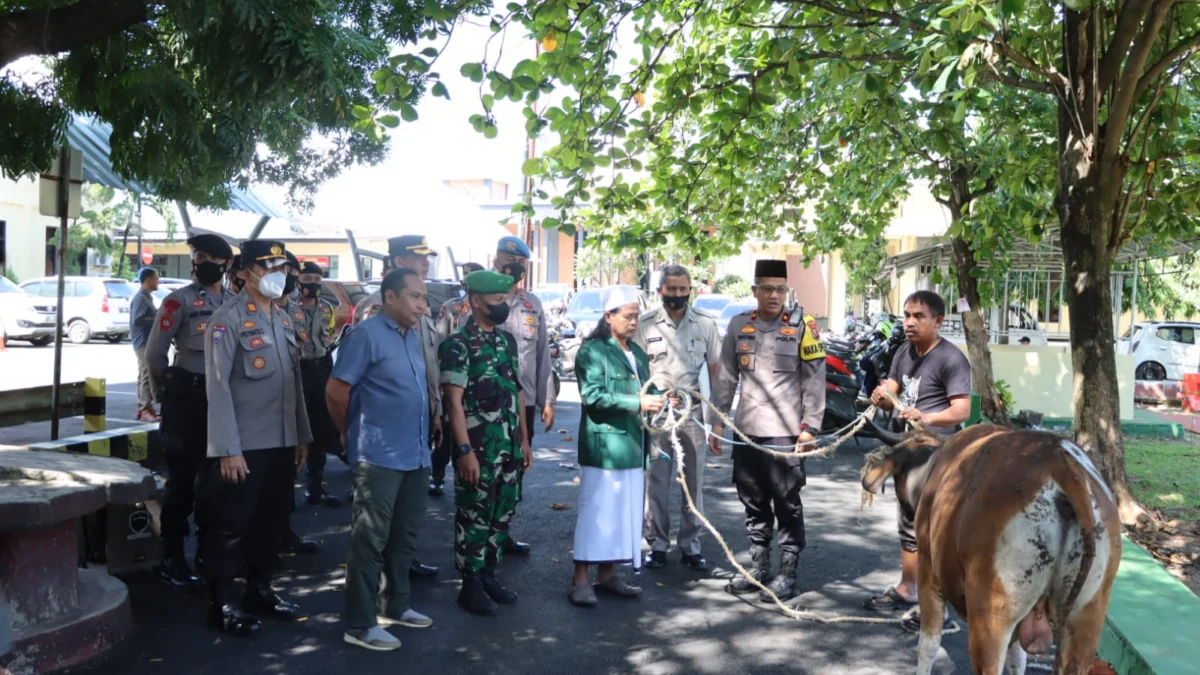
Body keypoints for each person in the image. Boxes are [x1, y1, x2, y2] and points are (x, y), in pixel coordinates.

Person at [203, 239, 311, 637]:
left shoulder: (283, 318)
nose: (275, 275)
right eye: (266, 268)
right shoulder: (226, 320)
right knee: (231, 526)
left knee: (272, 521)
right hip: (244, 446)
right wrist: (228, 450)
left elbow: (293, 384)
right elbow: (218, 388)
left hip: (281, 443)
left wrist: (301, 436)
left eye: (280, 267)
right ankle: (223, 603)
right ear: (244, 273)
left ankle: (259, 589)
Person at [328, 267, 439, 651]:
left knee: (404, 537)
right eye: (415, 297)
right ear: (388, 297)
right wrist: (350, 432)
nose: (422, 305)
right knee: (369, 540)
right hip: (378, 454)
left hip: (415, 452)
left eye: (424, 298)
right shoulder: (366, 335)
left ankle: (395, 606)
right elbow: (336, 390)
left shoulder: (413, 335)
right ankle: (359, 624)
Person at [711, 260, 826, 603]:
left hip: (786, 434)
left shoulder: (803, 326)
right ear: (755, 291)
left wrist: (810, 428)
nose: (775, 295)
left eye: (781, 289)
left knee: (787, 503)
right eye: (768, 289)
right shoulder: (739, 325)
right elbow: (727, 377)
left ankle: (787, 573)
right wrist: (717, 421)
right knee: (753, 502)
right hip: (748, 430)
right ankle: (758, 568)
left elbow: (814, 381)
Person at [866, 290, 971, 632]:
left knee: (931, 531)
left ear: (938, 321)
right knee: (908, 526)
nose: (909, 322)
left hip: (939, 453)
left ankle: (935, 605)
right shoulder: (903, 352)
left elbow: (962, 410)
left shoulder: (951, 359)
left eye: (919, 316)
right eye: (907, 315)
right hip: (907, 450)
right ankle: (909, 589)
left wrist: (926, 416)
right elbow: (893, 391)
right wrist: (882, 396)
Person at [439, 270, 532, 617]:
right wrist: (464, 451)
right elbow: (453, 402)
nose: (502, 306)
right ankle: (471, 583)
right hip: (478, 450)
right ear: (476, 301)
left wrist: (525, 439)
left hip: (508, 447)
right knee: (474, 516)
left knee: (501, 514)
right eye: (496, 301)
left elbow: (517, 391)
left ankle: (489, 574)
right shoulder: (458, 346)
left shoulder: (506, 341)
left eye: (504, 300)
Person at [145, 234, 235, 588]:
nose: (201, 262)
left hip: (223, 402)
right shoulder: (177, 301)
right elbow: (154, 354)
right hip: (187, 397)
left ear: (226, 264)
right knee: (181, 482)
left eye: (210, 257)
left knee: (217, 482)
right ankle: (171, 556)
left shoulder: (235, 303)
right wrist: (162, 393)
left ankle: (208, 553)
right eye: (197, 256)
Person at [352, 234, 444, 579]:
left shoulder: (421, 304)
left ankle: (401, 567)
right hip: (382, 435)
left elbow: (426, 365)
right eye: (418, 257)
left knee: (408, 512)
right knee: (378, 517)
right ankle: (375, 590)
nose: (425, 262)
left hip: (417, 421)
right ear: (396, 261)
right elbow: (353, 382)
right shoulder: (379, 306)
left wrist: (435, 411)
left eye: (427, 257)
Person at [568, 285, 663, 607]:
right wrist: (638, 402)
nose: (635, 322)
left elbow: (648, 388)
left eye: (637, 316)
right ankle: (580, 579)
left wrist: (665, 397)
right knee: (596, 513)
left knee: (623, 514)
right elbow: (593, 397)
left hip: (633, 445)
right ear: (609, 317)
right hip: (605, 448)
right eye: (629, 316)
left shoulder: (635, 352)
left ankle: (607, 575)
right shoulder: (592, 351)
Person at [633, 265, 721, 571]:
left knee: (692, 484)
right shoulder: (644, 326)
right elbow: (637, 373)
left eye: (684, 289)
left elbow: (715, 373)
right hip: (658, 414)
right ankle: (657, 544)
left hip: (693, 413)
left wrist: (716, 421)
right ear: (659, 291)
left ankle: (690, 545)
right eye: (672, 290)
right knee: (656, 482)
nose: (678, 295)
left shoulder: (706, 325)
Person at [491, 235, 555, 556]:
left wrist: (548, 400)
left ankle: (503, 531)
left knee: (515, 469)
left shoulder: (533, 304)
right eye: (508, 261)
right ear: (495, 260)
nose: (514, 268)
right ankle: (478, 537)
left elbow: (542, 355)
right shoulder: (477, 301)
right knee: (484, 470)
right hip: (485, 403)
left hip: (524, 402)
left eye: (520, 264)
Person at [275, 251, 320, 555]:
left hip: (291, 398)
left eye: (292, 270)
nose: (290, 276)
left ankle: (282, 533)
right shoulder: (234, 313)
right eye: (284, 270)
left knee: (284, 476)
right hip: (257, 412)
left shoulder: (295, 313)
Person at [430, 261, 485, 497]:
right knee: (445, 431)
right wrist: (439, 378)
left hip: (479, 382)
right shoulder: (451, 307)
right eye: (465, 277)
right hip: (452, 378)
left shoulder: (487, 307)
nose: (468, 281)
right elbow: (439, 343)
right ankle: (438, 476)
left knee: (471, 432)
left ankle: (466, 478)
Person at [296, 261, 341, 507]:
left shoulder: (327, 308)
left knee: (320, 430)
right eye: (307, 279)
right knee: (297, 428)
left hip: (321, 369)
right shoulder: (287, 308)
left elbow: (329, 338)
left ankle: (315, 487)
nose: (312, 284)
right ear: (299, 280)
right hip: (299, 371)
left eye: (316, 280)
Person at [130, 267, 160, 422]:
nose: (158, 281)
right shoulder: (141, 298)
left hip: (146, 341)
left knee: (143, 374)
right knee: (146, 373)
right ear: (148, 280)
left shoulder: (146, 297)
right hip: (142, 341)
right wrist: (156, 319)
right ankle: (145, 408)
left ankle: (142, 407)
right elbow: (138, 319)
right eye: (156, 278)